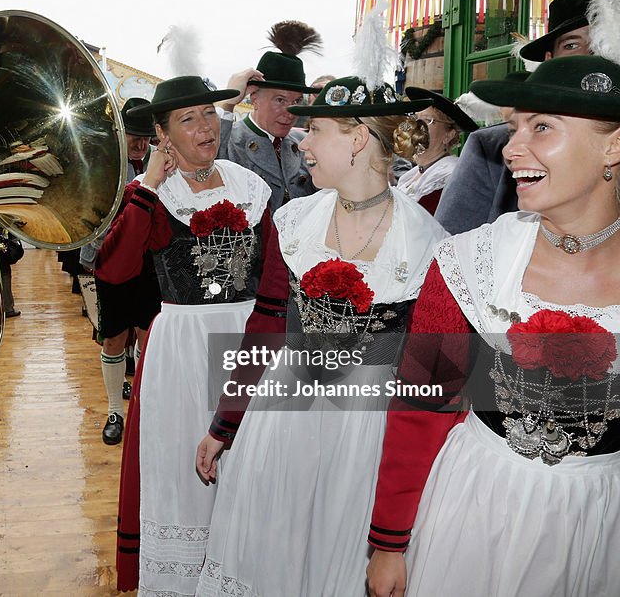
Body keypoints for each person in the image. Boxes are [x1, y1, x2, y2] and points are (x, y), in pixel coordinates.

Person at [367, 55, 620, 597]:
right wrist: (390, 542)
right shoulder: (471, 263)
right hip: (477, 511)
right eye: (514, 126)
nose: (510, 147)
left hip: (602, 524)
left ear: (613, 146)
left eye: (542, 127)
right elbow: (420, 405)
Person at [195, 76, 446, 596]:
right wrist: (225, 424)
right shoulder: (293, 222)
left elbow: (436, 386)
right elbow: (264, 328)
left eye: (317, 130)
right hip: (282, 423)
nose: (302, 140)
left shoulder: (430, 245)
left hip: (365, 437)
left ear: (357, 140)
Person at [103, 77, 289, 594]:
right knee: (183, 460)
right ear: (162, 135)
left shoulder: (249, 185)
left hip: (250, 335)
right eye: (187, 119)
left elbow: (275, 266)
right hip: (183, 347)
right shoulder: (150, 196)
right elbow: (115, 271)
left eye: (208, 113)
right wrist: (147, 188)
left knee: (250, 458)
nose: (205, 127)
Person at [435, 0, 592, 234]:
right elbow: (449, 246)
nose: (591, 54)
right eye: (572, 44)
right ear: (549, 60)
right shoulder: (491, 148)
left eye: (604, 39)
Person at [83, 97, 162, 445]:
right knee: (114, 338)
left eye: (146, 137)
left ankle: (142, 408)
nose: (140, 143)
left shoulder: (158, 164)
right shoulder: (104, 165)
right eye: (134, 135)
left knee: (147, 335)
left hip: (148, 265)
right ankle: (115, 410)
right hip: (111, 262)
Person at [219, 21, 323, 211]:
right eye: (280, 100)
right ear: (254, 98)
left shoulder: (305, 144)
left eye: (297, 101)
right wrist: (228, 101)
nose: (290, 112)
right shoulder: (229, 141)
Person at [396, 87, 478, 214]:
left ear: (448, 135)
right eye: (416, 118)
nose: (417, 126)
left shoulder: (448, 175)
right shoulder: (411, 175)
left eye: (428, 120)